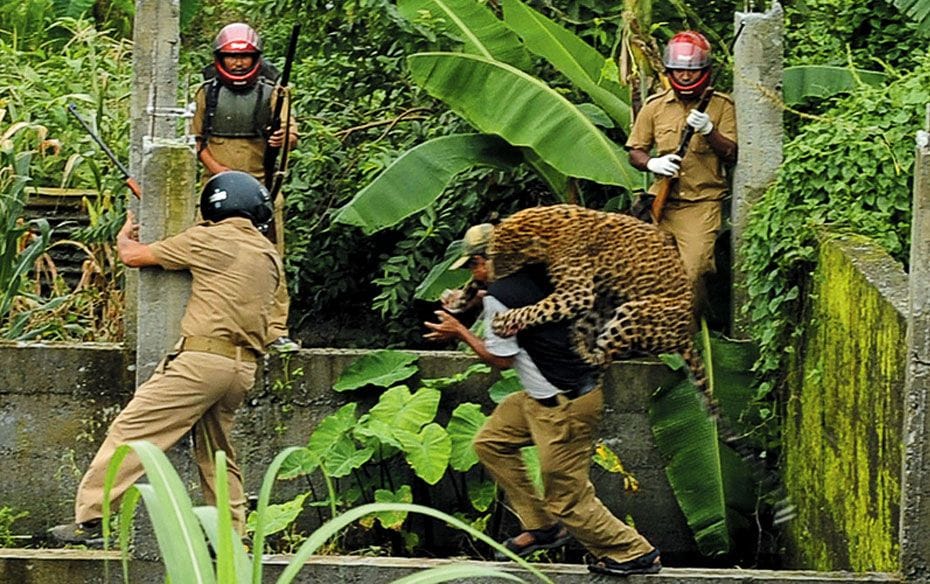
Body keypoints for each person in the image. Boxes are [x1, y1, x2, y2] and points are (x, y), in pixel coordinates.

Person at [48, 171, 283, 544]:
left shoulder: (206, 239)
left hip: (200, 362)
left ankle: (92, 520)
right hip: (242, 369)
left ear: (212, 207)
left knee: (133, 432)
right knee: (218, 454)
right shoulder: (268, 253)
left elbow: (134, 256)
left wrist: (126, 234)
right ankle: (233, 537)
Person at [423, 224, 662, 577]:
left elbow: (501, 359)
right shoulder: (544, 273)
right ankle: (542, 527)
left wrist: (458, 331)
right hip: (542, 397)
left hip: (563, 407)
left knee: (567, 499)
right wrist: (470, 301)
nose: (472, 276)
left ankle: (633, 552)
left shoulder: (501, 297)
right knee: (491, 442)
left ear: (484, 261)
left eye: (472, 266)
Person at [191, 22, 299, 352]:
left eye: (245, 58)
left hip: (262, 191)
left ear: (256, 59)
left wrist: (283, 139)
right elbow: (194, 142)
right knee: (204, 256)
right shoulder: (206, 93)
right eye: (231, 57)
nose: (238, 64)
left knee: (270, 260)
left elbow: (291, 136)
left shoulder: (275, 93)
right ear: (219, 58)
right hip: (215, 191)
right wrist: (219, 171)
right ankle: (208, 329)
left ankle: (274, 330)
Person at [626, 30, 737, 292]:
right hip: (661, 203)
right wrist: (652, 163)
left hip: (701, 204)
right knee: (649, 273)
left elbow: (732, 153)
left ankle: (688, 330)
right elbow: (635, 150)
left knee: (693, 270)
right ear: (669, 71)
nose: (685, 75)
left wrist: (710, 131)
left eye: (692, 71)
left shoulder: (721, 105)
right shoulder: (654, 106)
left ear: (704, 71)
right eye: (678, 70)